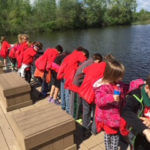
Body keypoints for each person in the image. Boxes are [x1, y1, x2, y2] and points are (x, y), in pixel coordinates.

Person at [93, 58, 128, 150]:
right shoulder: (103, 87)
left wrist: (141, 83)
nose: (122, 78)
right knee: (112, 136)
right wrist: (111, 97)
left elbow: (127, 86)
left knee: (111, 136)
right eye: (120, 76)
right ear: (112, 76)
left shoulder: (118, 83)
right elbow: (99, 101)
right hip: (108, 118)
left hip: (114, 117)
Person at [57, 47, 89, 114]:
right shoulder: (79, 54)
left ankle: (63, 105)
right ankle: (68, 109)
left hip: (63, 73)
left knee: (63, 91)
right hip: (69, 75)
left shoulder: (71, 55)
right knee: (68, 93)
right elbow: (85, 62)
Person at [122, 75, 150, 150]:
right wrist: (145, 130)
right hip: (138, 136)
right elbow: (126, 111)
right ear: (147, 88)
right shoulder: (136, 95)